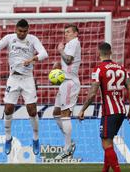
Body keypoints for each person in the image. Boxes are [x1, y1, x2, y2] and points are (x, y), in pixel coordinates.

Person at [0, 19, 48, 155]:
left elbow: (44, 54)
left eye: (25, 31)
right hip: (13, 78)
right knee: (8, 109)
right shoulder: (9, 38)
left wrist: (32, 59)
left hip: (27, 79)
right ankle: (8, 138)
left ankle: (36, 138)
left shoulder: (32, 39)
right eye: (20, 31)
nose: (22, 33)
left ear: (28, 30)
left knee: (32, 111)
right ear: (15, 29)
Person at [78, 42, 130, 172]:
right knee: (108, 141)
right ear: (111, 52)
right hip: (121, 111)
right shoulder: (122, 69)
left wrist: (82, 109)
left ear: (98, 53)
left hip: (109, 112)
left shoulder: (99, 69)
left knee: (106, 143)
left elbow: (92, 93)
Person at [52, 24, 81, 160]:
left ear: (76, 33)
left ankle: (67, 147)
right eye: (65, 32)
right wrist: (58, 66)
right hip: (64, 82)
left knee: (65, 114)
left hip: (70, 82)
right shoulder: (70, 44)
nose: (66, 34)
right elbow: (66, 61)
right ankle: (69, 142)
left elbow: (69, 60)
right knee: (56, 113)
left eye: (68, 32)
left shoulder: (74, 43)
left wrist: (60, 51)